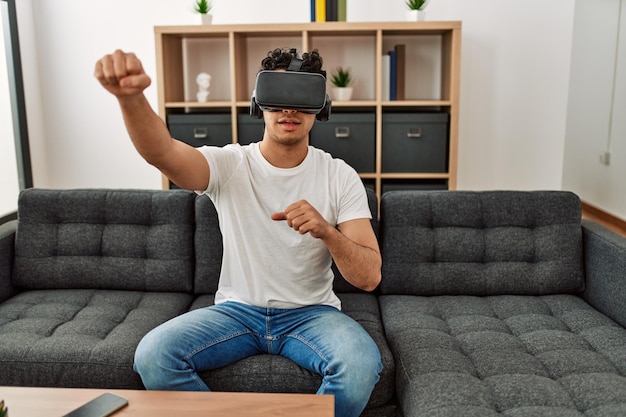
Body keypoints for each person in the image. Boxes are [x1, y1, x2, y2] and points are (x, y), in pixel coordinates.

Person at [94, 47, 382, 417]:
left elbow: (369, 277)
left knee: (360, 365)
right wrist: (131, 99)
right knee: (154, 354)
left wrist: (327, 232)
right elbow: (163, 153)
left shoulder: (339, 176)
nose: (288, 110)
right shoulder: (230, 164)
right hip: (236, 312)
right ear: (258, 103)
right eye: (276, 97)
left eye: (301, 98)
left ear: (320, 107)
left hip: (312, 314)